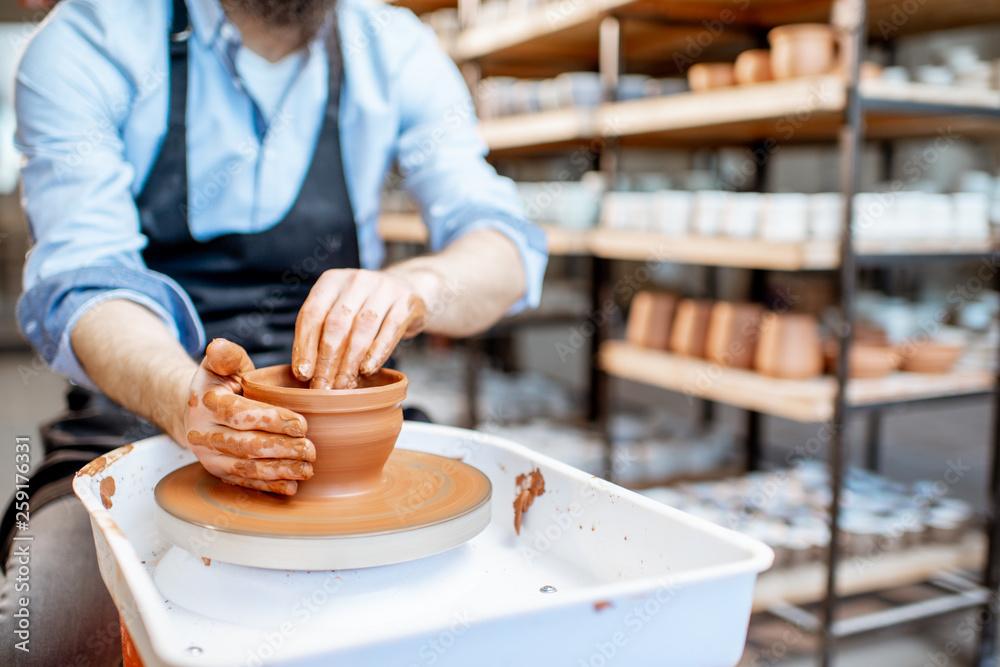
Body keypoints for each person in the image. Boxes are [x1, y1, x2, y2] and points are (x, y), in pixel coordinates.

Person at [3, 0, 547, 662]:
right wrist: (184, 399)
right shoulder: (96, 34)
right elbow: (83, 278)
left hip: (342, 426)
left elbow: (504, 245)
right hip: (145, 402)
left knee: (497, 606)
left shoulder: (394, 47)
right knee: (44, 625)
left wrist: (422, 285)